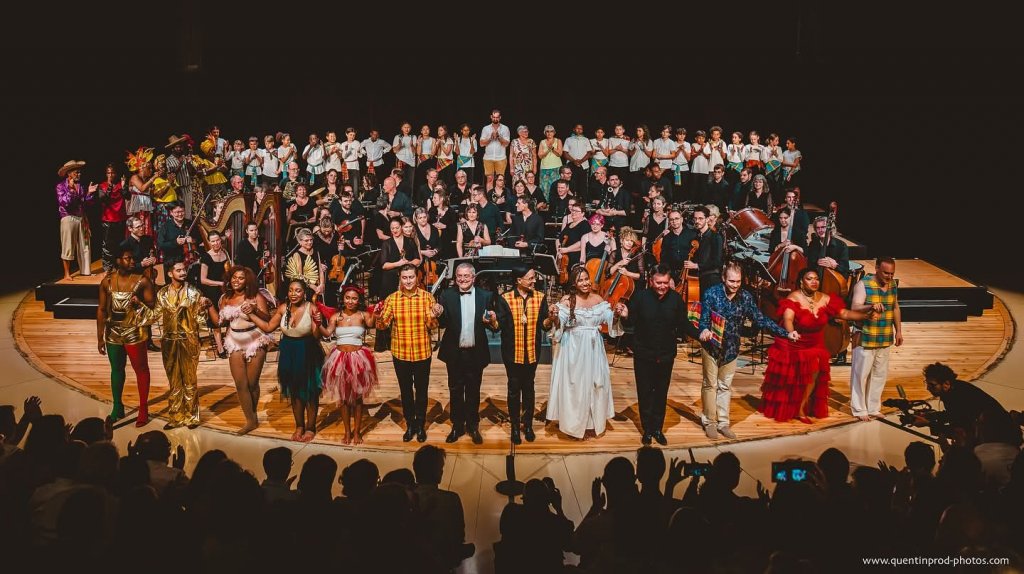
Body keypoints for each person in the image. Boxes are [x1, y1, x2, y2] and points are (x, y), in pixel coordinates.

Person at [760, 267, 873, 423]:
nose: (814, 282)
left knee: (815, 369)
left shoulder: (825, 299)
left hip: (815, 344)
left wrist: (866, 315)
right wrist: (791, 332)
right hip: (795, 342)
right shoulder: (794, 297)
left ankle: (801, 407)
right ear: (801, 281)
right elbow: (788, 319)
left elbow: (845, 314)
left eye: (816, 279)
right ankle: (788, 406)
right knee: (791, 379)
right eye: (809, 278)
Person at [699, 262, 798, 438]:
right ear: (723, 278)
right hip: (711, 347)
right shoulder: (711, 293)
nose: (735, 285)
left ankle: (723, 423)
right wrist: (704, 330)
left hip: (731, 349)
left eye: (738, 281)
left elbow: (761, 320)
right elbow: (704, 318)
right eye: (731, 281)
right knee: (710, 384)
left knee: (724, 386)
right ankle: (709, 421)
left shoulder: (745, 297)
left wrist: (785, 334)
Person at [616, 265, 693, 445]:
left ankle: (658, 428)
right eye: (658, 282)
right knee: (645, 393)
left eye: (665, 283)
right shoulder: (641, 297)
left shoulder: (675, 300)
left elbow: (684, 324)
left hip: (666, 355)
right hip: (643, 354)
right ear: (651, 281)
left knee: (660, 393)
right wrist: (626, 314)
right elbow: (631, 321)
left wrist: (701, 333)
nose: (662, 286)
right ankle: (647, 430)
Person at [546, 266, 624, 439]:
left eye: (586, 279)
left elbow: (609, 320)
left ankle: (591, 422)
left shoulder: (598, 299)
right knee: (576, 385)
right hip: (574, 350)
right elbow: (561, 321)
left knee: (595, 384)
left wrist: (617, 314)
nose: (585, 283)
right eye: (580, 280)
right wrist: (555, 317)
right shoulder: (568, 300)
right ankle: (573, 424)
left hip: (594, 349)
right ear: (574, 283)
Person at [249, 279, 324, 442]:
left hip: (308, 351)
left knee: (310, 392)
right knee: (295, 391)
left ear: (304, 293)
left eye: (298, 291)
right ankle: (299, 426)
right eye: (291, 290)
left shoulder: (312, 308)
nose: (293, 294)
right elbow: (268, 327)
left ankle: (311, 427)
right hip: (289, 351)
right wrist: (251, 314)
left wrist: (318, 322)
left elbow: (318, 336)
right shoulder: (283, 308)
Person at [138, 258, 209, 430]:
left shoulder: (194, 293)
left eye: (184, 269)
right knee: (174, 380)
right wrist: (138, 307)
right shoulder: (162, 293)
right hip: (169, 342)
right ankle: (176, 416)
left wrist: (203, 308)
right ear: (170, 273)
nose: (183, 272)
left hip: (188, 341)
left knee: (190, 380)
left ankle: (191, 416)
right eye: (179, 270)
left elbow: (201, 320)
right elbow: (154, 315)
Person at [435, 263, 499, 444]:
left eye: (466, 276)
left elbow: (492, 324)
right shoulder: (447, 295)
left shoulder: (485, 296)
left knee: (473, 391)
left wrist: (492, 321)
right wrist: (439, 313)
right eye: (459, 276)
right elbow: (443, 323)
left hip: (475, 352)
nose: (462, 279)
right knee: (455, 390)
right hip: (454, 352)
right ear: (455, 278)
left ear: (473, 277)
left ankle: (472, 425)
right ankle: (457, 426)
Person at [376, 265, 440, 442]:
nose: (408, 281)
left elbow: (432, 326)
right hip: (401, 353)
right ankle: (410, 423)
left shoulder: (427, 297)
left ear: (417, 278)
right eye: (405, 278)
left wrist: (435, 315)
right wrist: (378, 317)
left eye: (411, 277)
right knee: (405, 390)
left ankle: (420, 424)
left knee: (421, 390)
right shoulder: (393, 299)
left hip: (422, 352)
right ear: (400, 279)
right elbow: (383, 326)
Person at [206, 266, 273, 435]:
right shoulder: (225, 298)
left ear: (247, 281)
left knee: (251, 384)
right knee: (240, 384)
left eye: (241, 278)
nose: (236, 281)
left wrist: (254, 310)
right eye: (234, 278)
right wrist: (209, 306)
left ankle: (253, 413)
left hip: (255, 340)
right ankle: (250, 420)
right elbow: (219, 322)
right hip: (234, 341)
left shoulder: (256, 296)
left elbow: (268, 319)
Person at [492, 267, 553, 444]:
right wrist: (493, 321)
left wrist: (550, 319)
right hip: (512, 353)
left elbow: (544, 325)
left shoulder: (540, 297)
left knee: (529, 389)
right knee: (513, 390)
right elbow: (499, 326)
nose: (534, 281)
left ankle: (527, 425)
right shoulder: (505, 298)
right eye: (531, 278)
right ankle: (515, 426)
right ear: (519, 280)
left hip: (532, 353)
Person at [97, 246, 155, 425]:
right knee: (116, 370)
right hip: (113, 331)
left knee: (141, 370)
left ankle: (143, 409)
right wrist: (99, 336)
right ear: (117, 260)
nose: (131, 261)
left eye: (132, 259)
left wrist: (140, 304)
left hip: (134, 331)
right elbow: (101, 309)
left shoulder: (142, 281)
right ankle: (117, 406)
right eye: (127, 258)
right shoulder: (107, 282)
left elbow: (153, 305)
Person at [318, 284, 378, 445]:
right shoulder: (336, 317)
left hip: (358, 358)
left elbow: (373, 324)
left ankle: (357, 432)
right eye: (348, 298)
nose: (350, 301)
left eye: (354, 298)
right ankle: (347, 431)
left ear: (359, 300)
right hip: (340, 358)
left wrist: (377, 313)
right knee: (344, 398)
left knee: (357, 398)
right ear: (343, 299)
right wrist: (317, 323)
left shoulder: (363, 315)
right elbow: (327, 333)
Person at [848, 257, 904, 421]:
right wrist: (870, 306)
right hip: (865, 336)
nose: (889, 277)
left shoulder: (892, 285)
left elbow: (895, 307)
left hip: (884, 335)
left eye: (892, 273)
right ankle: (859, 409)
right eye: (886, 273)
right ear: (877, 268)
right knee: (860, 375)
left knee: (879, 374)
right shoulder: (863, 284)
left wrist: (898, 331)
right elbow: (855, 307)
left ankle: (873, 407)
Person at [413, 445, 473, 570]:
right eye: (440, 468)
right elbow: (458, 537)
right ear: (438, 472)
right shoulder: (451, 500)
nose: (442, 471)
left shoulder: (405, 498)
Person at [920, 362, 1010, 438]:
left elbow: (961, 431)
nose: (928, 388)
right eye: (927, 384)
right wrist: (932, 416)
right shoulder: (956, 389)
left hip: (996, 437)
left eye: (932, 385)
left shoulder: (959, 395)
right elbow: (955, 414)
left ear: (946, 384)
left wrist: (928, 423)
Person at [56, 160, 98, 280]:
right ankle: (67, 274)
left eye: (79, 172)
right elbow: (66, 203)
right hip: (68, 217)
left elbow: (85, 203)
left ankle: (86, 271)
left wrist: (89, 193)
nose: (79, 174)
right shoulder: (60, 186)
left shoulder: (80, 186)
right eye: (77, 172)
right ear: (69, 173)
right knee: (68, 245)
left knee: (85, 245)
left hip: (81, 217)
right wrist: (70, 190)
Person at [199, 230, 231, 357]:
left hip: (225, 291)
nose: (216, 243)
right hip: (212, 291)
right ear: (209, 242)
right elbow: (203, 279)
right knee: (216, 322)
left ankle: (228, 344)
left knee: (229, 318)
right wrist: (220, 284)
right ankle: (220, 348)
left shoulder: (225, 253)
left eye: (217, 240)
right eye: (213, 241)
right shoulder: (206, 257)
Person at [97, 165, 127, 273]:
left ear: (116, 174)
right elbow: (103, 199)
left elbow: (127, 196)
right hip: (108, 219)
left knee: (120, 244)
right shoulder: (102, 186)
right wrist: (109, 187)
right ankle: (107, 268)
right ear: (106, 174)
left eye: (112, 173)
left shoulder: (120, 185)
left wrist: (123, 187)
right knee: (108, 245)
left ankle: (119, 266)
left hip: (120, 218)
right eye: (108, 173)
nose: (110, 175)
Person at [563, 123, 594, 201]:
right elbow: (565, 153)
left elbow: (589, 152)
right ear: (574, 129)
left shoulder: (586, 139)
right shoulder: (568, 139)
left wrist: (581, 161)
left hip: (583, 165)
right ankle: (571, 201)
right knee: (572, 184)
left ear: (582, 130)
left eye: (581, 128)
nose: (579, 130)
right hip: (571, 165)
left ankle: (583, 203)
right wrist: (574, 161)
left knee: (583, 185)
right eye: (577, 128)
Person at [481, 109, 510, 190]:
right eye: (493, 117)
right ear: (491, 117)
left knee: (500, 180)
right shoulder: (485, 129)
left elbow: (506, 144)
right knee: (489, 179)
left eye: (497, 117)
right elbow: (481, 143)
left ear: (500, 117)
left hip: (501, 158)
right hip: (488, 158)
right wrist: (490, 138)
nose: (495, 119)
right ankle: (490, 199)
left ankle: (500, 199)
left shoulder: (505, 128)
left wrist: (499, 137)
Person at [537, 125, 563, 201]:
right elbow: (540, 156)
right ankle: (546, 204)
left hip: (556, 167)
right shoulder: (542, 142)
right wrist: (548, 150)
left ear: (554, 132)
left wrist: (552, 148)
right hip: (545, 167)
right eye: (547, 131)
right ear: (545, 133)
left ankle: (555, 204)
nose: (549, 133)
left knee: (556, 187)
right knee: (545, 188)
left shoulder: (558, 141)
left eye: (551, 131)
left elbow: (560, 154)